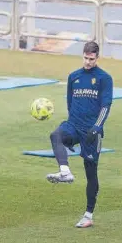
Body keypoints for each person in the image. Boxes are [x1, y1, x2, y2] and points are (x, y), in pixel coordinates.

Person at [46, 41, 113, 228]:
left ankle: (88, 215)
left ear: (97, 58)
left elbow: (106, 105)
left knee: (91, 172)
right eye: (85, 58)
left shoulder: (104, 78)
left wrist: (96, 127)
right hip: (73, 125)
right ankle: (65, 172)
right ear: (82, 55)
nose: (88, 62)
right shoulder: (74, 77)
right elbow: (70, 103)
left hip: (92, 131)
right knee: (55, 135)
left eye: (91, 59)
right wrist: (71, 126)